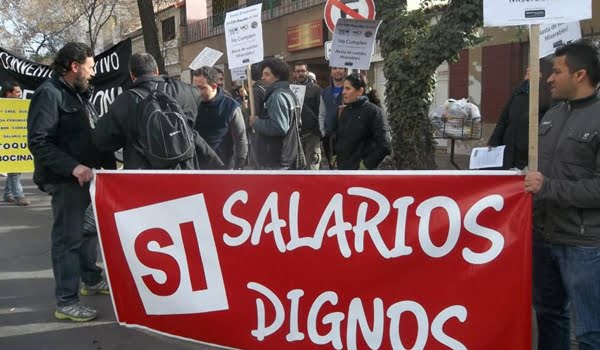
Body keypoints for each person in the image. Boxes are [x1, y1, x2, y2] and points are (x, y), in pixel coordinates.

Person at [27, 42, 114, 322]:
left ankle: (91, 278)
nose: (93, 73)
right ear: (74, 67)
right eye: (90, 67)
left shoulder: (76, 93)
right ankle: (66, 302)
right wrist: (73, 167)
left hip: (85, 178)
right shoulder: (49, 94)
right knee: (68, 240)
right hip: (65, 181)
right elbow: (39, 141)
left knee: (88, 230)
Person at [524, 41, 600, 349]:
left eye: (557, 71)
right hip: (543, 237)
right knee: (549, 316)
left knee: (590, 331)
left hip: (583, 245)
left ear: (580, 74)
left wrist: (547, 187)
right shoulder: (551, 116)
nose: (549, 78)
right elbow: (540, 171)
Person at [92, 53, 223, 170]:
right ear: (157, 70)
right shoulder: (186, 91)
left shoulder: (124, 102)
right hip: (183, 171)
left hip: (145, 179)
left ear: (132, 76)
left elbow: (102, 140)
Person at [488, 65, 553, 170]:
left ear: (541, 74)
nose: (527, 70)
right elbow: (504, 117)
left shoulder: (546, 95)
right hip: (509, 144)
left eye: (531, 68)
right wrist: (494, 141)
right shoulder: (519, 90)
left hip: (527, 147)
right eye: (527, 68)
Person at [249, 58, 303, 170]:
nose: (262, 78)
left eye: (267, 74)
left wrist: (256, 122)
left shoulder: (277, 96)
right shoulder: (288, 93)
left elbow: (279, 127)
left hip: (276, 158)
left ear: (277, 76)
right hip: (286, 154)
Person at [192, 66, 248, 169]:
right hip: (195, 165)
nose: (197, 92)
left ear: (213, 86)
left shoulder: (231, 106)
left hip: (222, 166)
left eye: (202, 88)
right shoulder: (190, 104)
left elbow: (240, 138)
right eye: (195, 87)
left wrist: (240, 162)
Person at [335, 72, 391, 170]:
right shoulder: (344, 110)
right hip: (343, 173)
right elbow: (339, 138)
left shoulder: (374, 112)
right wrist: (335, 156)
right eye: (343, 88)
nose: (343, 92)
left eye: (348, 88)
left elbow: (384, 145)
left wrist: (365, 166)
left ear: (360, 91)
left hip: (363, 176)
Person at [1, 81, 30, 206]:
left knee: (16, 168)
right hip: (6, 142)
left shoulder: (21, 106)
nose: (20, 94)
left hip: (17, 141)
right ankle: (19, 195)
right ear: (8, 94)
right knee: (14, 168)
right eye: (17, 92)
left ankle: (7, 194)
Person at [293, 62, 322, 170]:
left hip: (312, 134)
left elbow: (321, 112)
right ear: (294, 73)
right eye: (298, 71)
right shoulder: (291, 89)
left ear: (307, 72)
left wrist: (318, 131)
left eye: (302, 71)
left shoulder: (316, 89)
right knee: (298, 168)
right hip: (296, 134)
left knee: (312, 167)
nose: (300, 73)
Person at [319, 67, 347, 169]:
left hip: (345, 137)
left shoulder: (349, 90)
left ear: (345, 71)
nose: (337, 71)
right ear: (331, 72)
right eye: (334, 68)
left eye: (340, 68)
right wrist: (323, 131)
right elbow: (322, 113)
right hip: (329, 137)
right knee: (332, 168)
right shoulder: (325, 92)